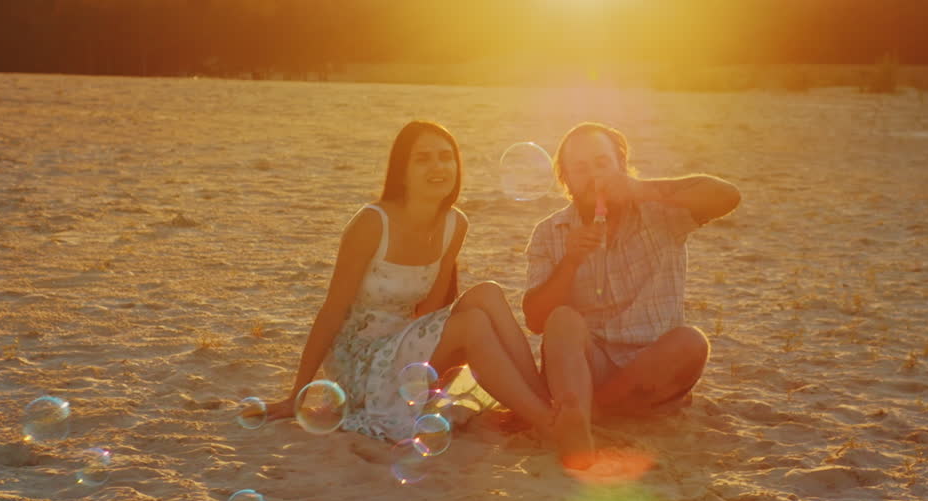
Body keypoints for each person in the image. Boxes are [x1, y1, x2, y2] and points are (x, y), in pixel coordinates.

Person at [267, 121, 556, 445]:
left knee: (488, 292)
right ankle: (549, 422)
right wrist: (296, 394)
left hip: (405, 346)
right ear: (402, 171)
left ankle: (546, 405)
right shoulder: (372, 223)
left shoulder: (454, 223)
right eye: (423, 159)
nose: (438, 166)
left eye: (445, 157)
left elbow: (430, 311)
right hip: (361, 363)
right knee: (473, 323)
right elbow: (332, 311)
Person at [522, 122, 742, 465]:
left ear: (621, 165)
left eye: (602, 163)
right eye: (580, 169)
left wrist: (643, 189)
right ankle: (581, 419)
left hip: (652, 371)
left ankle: (586, 414)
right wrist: (570, 261)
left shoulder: (661, 213)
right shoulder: (550, 232)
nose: (594, 176)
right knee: (562, 319)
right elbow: (536, 321)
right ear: (565, 180)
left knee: (691, 342)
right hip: (585, 368)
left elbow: (728, 196)